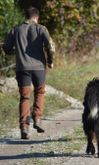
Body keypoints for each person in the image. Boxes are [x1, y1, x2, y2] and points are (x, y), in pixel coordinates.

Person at [3, 6, 55, 139]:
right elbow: (50, 46)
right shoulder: (41, 28)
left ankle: (24, 128)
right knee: (40, 92)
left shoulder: (16, 30)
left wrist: (17, 51)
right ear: (36, 17)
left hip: (22, 68)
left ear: (25, 16)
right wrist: (50, 61)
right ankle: (37, 119)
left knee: (24, 97)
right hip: (38, 68)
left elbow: (6, 48)